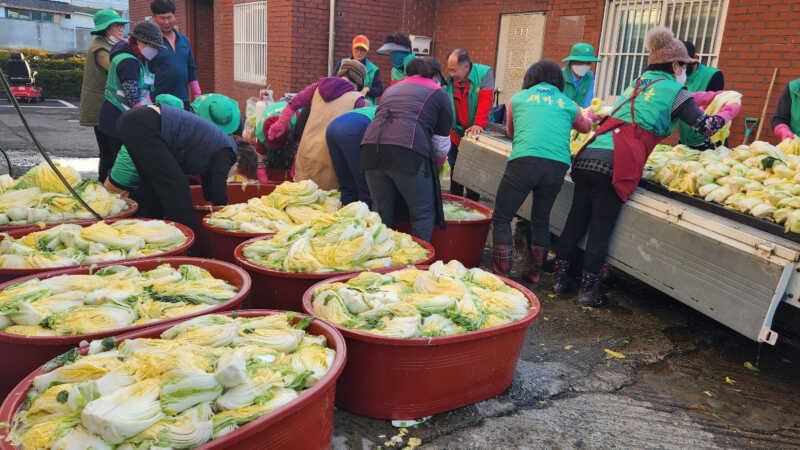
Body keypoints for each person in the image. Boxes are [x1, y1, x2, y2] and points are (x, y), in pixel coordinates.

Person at [553, 27, 740, 307]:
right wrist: (728, 111)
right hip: (616, 163)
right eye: (684, 67)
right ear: (676, 65)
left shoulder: (639, 81)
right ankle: (588, 292)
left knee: (576, 221)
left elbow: (681, 100)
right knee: (600, 230)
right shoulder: (675, 91)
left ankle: (559, 281)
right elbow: (706, 127)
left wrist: (712, 96)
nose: (685, 72)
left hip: (590, 153)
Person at [491, 60, 592, 284]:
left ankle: (501, 273)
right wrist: (590, 116)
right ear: (558, 80)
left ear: (530, 78)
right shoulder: (568, 103)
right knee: (540, 219)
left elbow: (510, 131)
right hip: (556, 166)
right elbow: (585, 128)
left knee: (502, 216)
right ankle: (535, 273)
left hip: (524, 161)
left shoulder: (517, 99)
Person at [104, 93, 241, 230]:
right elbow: (218, 181)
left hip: (133, 122)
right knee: (177, 189)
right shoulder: (228, 150)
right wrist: (223, 213)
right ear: (239, 159)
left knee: (153, 188)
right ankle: (187, 239)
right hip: (144, 124)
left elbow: (209, 181)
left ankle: (152, 231)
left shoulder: (213, 144)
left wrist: (209, 200)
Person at [360, 57, 453, 241]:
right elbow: (441, 145)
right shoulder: (438, 93)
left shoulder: (391, 90)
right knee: (423, 213)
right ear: (435, 76)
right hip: (407, 151)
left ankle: (381, 262)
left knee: (381, 213)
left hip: (370, 150)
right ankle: (416, 264)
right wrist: (438, 166)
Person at [267, 59, 367, 190]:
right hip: (331, 162)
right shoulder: (357, 100)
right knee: (324, 206)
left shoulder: (318, 87)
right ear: (359, 82)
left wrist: (280, 123)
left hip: (305, 155)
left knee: (300, 201)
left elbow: (293, 104)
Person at [97, 21, 163, 184]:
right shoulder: (128, 62)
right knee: (113, 164)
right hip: (115, 120)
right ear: (139, 42)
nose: (154, 50)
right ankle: (109, 195)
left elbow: (144, 90)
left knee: (110, 162)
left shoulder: (138, 59)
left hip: (119, 117)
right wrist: (151, 116)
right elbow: (134, 97)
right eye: (152, 46)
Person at [79, 9, 129, 182]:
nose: (122, 29)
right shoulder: (100, 48)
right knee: (109, 151)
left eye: (122, 26)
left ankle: (107, 184)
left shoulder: (108, 45)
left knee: (110, 150)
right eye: (117, 26)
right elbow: (117, 69)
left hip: (107, 107)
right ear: (107, 29)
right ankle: (106, 184)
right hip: (100, 108)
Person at [445, 48, 494, 201]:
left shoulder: (484, 74)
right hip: (455, 132)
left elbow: (486, 101)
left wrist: (478, 124)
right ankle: (455, 205)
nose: (451, 74)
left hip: (476, 133)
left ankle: (473, 206)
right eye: (449, 70)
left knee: (473, 174)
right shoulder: (449, 81)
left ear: (466, 66)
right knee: (455, 169)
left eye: (454, 70)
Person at [148, 0, 201, 106]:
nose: (166, 22)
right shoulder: (151, 43)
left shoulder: (184, 40)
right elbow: (144, 69)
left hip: (182, 99)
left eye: (169, 17)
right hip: (159, 101)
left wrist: (197, 93)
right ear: (154, 18)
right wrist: (147, 100)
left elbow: (191, 67)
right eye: (162, 18)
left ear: (174, 16)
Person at [678, 40, 725, 149]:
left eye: (685, 64)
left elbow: (714, 109)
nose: (682, 68)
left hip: (707, 141)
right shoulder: (677, 77)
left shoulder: (713, 75)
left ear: (695, 57)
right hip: (685, 138)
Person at [326, 105, 376, 206]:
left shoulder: (373, 108)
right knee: (362, 177)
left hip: (332, 127)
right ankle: (366, 211)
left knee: (344, 177)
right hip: (354, 129)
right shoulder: (391, 112)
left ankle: (347, 208)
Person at [333, 35, 383, 104]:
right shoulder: (342, 63)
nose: (359, 52)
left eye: (362, 50)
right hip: (343, 102)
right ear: (352, 48)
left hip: (364, 106)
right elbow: (333, 81)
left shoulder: (374, 69)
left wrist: (367, 89)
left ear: (367, 51)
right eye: (357, 49)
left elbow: (379, 89)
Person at [561, 42, 600, 108]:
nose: (584, 66)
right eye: (580, 62)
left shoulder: (589, 76)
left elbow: (588, 101)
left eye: (588, 63)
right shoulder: (559, 76)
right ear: (572, 61)